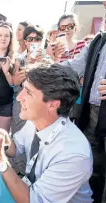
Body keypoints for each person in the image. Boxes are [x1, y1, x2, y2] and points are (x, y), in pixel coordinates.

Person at [0, 62, 93, 203]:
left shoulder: (72, 155)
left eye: (28, 92)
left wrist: (0, 162)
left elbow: (33, 200)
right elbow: (15, 147)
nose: (19, 98)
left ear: (53, 104)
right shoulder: (36, 121)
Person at [53, 3, 106, 202]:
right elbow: (74, 66)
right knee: (93, 170)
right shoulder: (98, 41)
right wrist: (45, 67)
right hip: (91, 114)